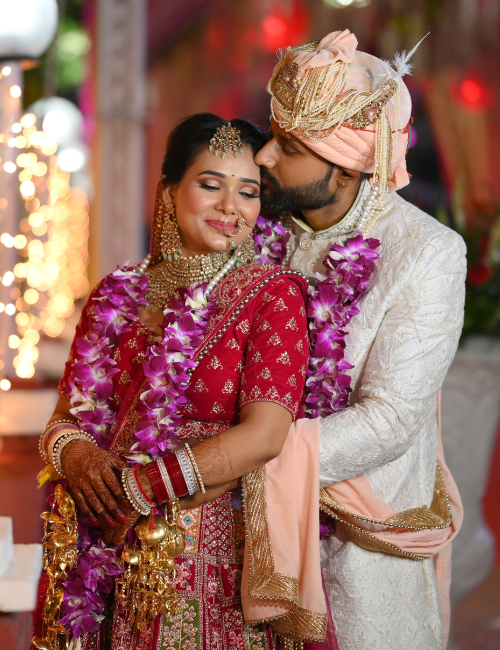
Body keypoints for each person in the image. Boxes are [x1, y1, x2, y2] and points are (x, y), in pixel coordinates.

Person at [34, 114, 326, 650]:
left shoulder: (271, 295)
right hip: (96, 546)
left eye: (249, 192)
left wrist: (142, 490)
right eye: (210, 185)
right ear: (170, 191)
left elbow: (265, 435)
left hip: (203, 556)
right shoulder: (115, 292)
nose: (230, 208)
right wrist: (74, 456)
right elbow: (65, 419)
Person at [255, 30, 466, 650]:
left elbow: (390, 419)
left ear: (347, 162)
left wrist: (246, 454)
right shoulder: (256, 235)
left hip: (364, 555)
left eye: (289, 146)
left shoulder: (426, 253)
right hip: (243, 538)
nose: (264, 157)